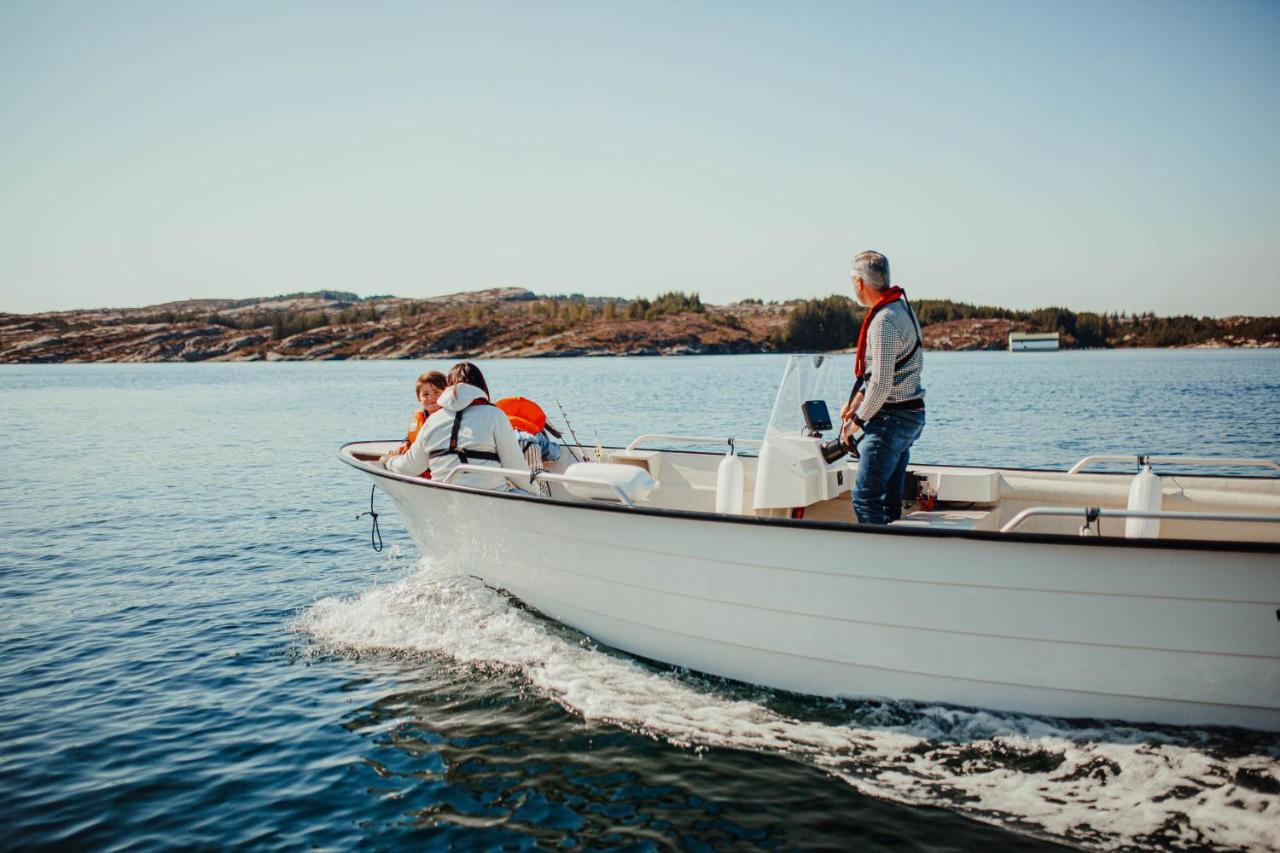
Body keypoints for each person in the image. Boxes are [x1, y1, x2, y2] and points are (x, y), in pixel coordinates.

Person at [838, 250, 925, 524]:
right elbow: (885, 374)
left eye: (852, 280)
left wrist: (855, 422)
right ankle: (891, 556)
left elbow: (881, 385)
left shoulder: (884, 321)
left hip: (890, 421)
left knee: (865, 498)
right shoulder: (903, 310)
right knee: (889, 501)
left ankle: (875, 559)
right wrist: (858, 400)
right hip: (909, 417)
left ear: (860, 283)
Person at [382, 362, 536, 494]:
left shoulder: (432, 420)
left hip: (445, 497)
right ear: (481, 386)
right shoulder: (494, 414)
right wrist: (539, 495)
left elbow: (408, 468)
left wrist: (388, 461)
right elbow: (516, 469)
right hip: (491, 496)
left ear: (448, 387)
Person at [391, 371, 448, 464]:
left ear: (447, 393)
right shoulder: (420, 417)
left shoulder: (453, 417)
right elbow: (414, 435)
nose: (431, 397)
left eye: (437, 392)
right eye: (425, 394)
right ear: (419, 398)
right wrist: (406, 442)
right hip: (420, 467)